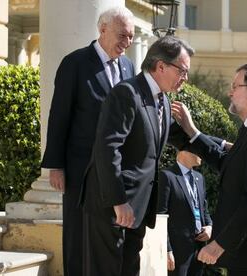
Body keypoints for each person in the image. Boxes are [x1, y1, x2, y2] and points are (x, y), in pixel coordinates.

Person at [80, 36, 195, 276]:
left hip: (137, 210)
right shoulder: (127, 93)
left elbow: (182, 139)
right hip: (112, 205)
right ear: (161, 66)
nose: (184, 78)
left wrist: (226, 146)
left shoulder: (162, 99)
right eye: (182, 71)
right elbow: (107, 148)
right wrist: (118, 201)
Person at [41, 6, 135, 275]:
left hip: (114, 171)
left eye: (130, 37)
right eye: (122, 35)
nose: (126, 43)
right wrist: (56, 165)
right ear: (103, 29)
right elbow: (59, 116)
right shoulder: (75, 63)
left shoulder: (128, 67)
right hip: (80, 169)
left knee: (107, 239)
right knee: (77, 236)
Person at [172, 63, 247, 275]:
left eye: (235, 86)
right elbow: (228, 164)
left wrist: (219, 244)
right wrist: (192, 133)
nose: (230, 92)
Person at [158, 150, 212, 276]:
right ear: (183, 151)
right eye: (197, 150)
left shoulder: (199, 178)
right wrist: (167, 249)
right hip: (176, 252)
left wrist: (209, 226)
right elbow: (160, 216)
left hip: (198, 249)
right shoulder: (167, 176)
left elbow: (204, 209)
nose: (201, 154)